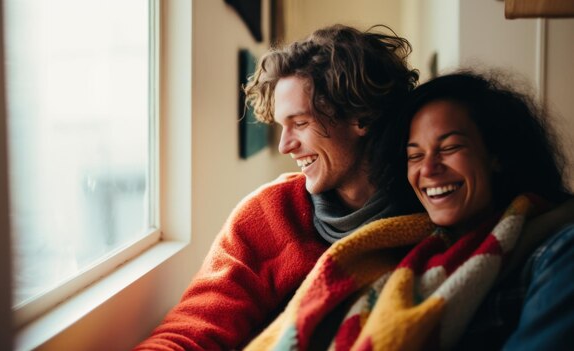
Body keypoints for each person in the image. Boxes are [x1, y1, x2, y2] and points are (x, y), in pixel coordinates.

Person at [132, 24, 419, 350]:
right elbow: (192, 328)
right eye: (282, 126)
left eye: (300, 123)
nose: (285, 145)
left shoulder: (434, 209)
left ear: (361, 118)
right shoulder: (269, 214)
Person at [244, 71, 574, 350]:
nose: (428, 169)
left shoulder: (559, 252)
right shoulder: (409, 250)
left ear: (496, 155)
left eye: (450, 148)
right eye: (414, 155)